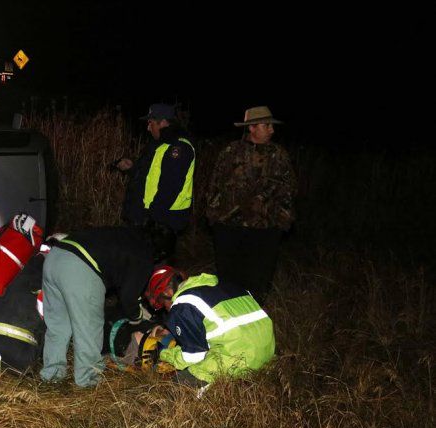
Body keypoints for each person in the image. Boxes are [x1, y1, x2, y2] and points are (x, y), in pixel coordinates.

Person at [40, 227, 156, 387]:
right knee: (88, 329)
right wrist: (138, 320)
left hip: (54, 257)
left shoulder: (121, 235)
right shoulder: (144, 255)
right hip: (79, 266)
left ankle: (51, 375)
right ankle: (88, 381)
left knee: (57, 327)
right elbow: (129, 297)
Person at [205, 106, 297, 302]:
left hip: (265, 231)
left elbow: (288, 191)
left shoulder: (279, 155)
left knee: (259, 283)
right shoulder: (231, 152)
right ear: (253, 128)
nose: (272, 130)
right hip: (230, 229)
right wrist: (214, 218)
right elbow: (214, 186)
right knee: (229, 282)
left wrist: (283, 222)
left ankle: (254, 322)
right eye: (267, 125)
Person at [143, 266, 275, 386]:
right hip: (268, 354)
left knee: (175, 387)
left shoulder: (182, 305)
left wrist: (163, 354)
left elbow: (194, 356)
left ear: (167, 292)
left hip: (238, 361)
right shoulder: (226, 285)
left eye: (162, 303)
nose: (166, 309)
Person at [119, 103, 196, 251]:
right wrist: (132, 168)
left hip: (161, 225)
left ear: (162, 122)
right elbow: (150, 174)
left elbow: (170, 188)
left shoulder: (178, 148)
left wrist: (151, 221)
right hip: (148, 221)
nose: (148, 128)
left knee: (158, 270)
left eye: (151, 123)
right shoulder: (159, 143)